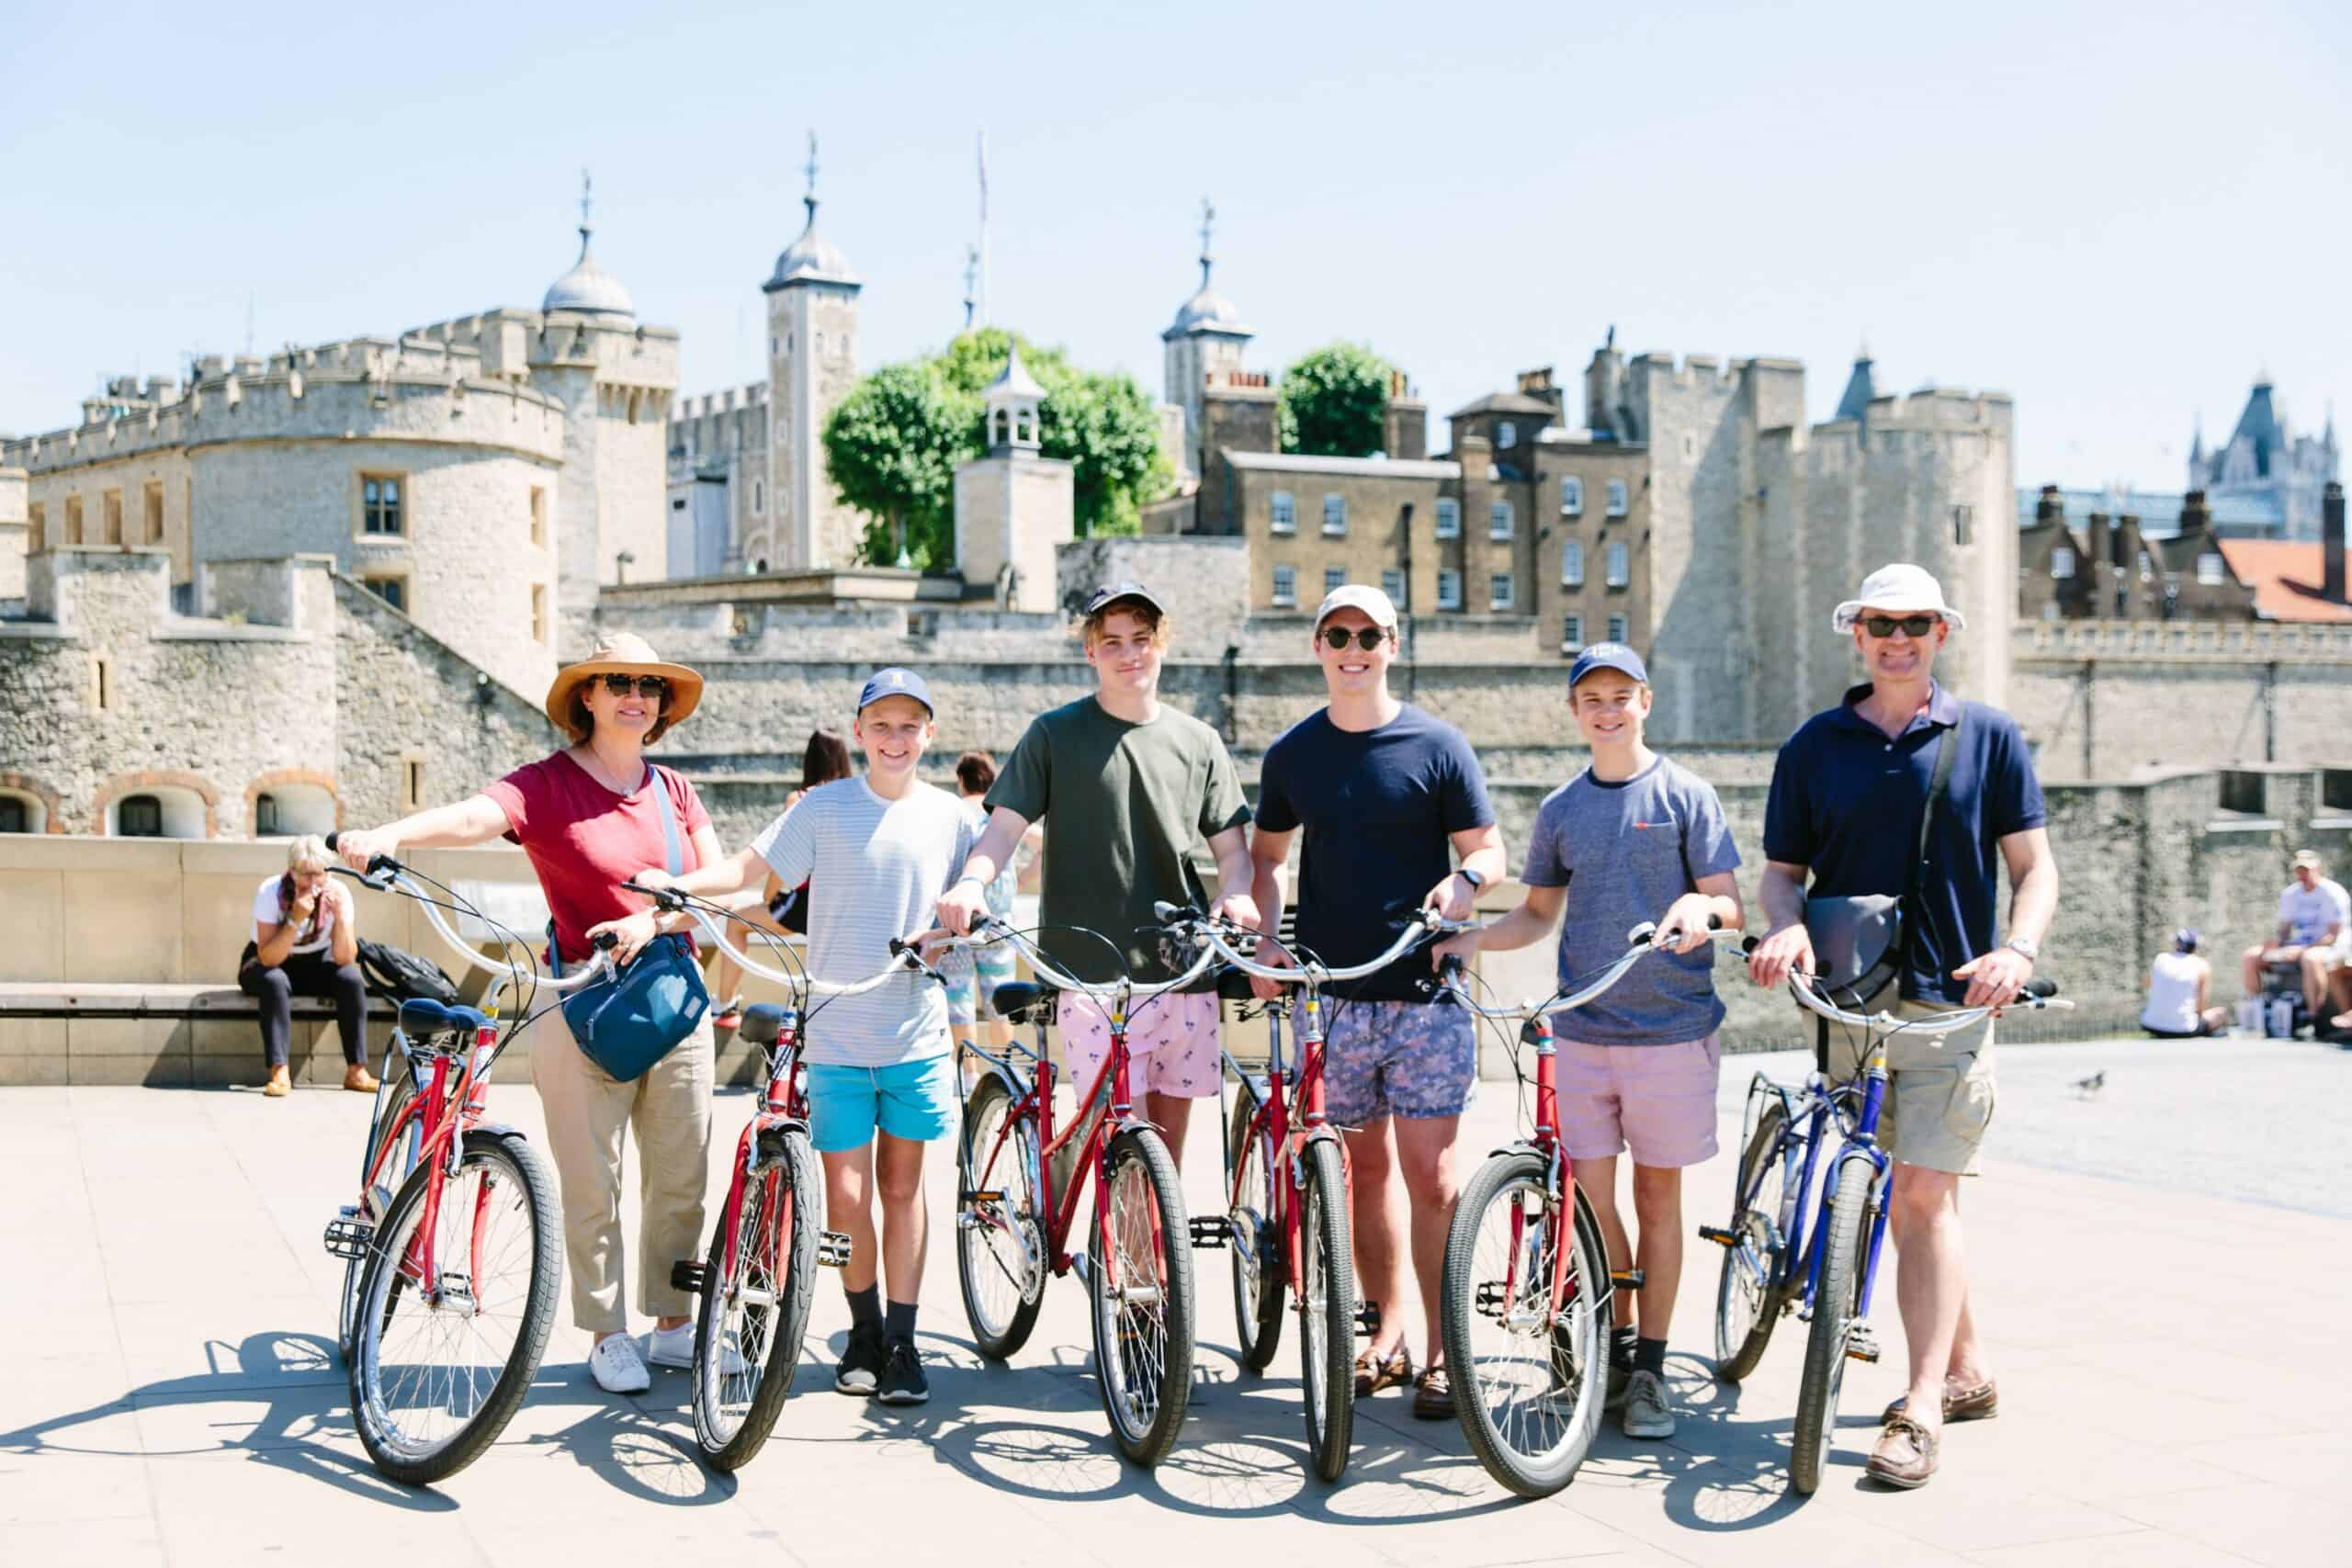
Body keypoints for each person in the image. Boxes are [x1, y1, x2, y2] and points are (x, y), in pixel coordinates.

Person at [336, 632, 722, 1397]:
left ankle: (674, 1324)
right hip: (579, 997)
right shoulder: (546, 785)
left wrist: (662, 920)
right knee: (591, 1178)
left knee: (683, 1175)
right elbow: (475, 817)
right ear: (587, 695)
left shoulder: (676, 791)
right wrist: (390, 835)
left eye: (647, 683)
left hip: (673, 1000)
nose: (633, 694)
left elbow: (713, 883)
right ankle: (609, 1331)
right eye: (615, 680)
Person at [1747, 564, 2058, 1490]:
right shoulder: (1814, 745)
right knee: (1893, 1195)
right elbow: (1778, 872)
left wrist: (2019, 952)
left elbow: (2034, 868)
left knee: (1922, 1194)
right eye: (1881, 622)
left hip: (1951, 1002)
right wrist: (1785, 921)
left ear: (1940, 633)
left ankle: (1917, 1409)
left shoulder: (1987, 737)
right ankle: (1963, 1369)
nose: (1897, 636)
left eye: (1915, 622)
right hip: (1846, 1001)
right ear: (1856, 633)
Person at [1434, 641, 1742, 1440]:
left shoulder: (1685, 794)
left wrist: (1698, 912)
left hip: (1672, 1030)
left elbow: (1730, 905)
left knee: (1658, 1199)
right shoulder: (1564, 808)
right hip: (1584, 1030)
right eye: (1591, 699)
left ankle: (1652, 1368)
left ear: (1645, 699)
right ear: (1575, 712)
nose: (1607, 710)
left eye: (1620, 695)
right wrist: (1468, 941)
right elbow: (1538, 913)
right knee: (1593, 1204)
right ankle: (1615, 1340)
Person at [643, 669, 972, 1405]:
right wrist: (674, 896)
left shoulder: (951, 818)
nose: (895, 738)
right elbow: (751, 876)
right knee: (848, 1198)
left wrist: (957, 933)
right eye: (881, 725)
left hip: (915, 1034)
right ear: (859, 732)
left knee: (903, 1187)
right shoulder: (824, 809)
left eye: (909, 725)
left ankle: (903, 1340)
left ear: (930, 733)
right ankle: (861, 1328)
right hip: (836, 1034)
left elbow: (981, 893)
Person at [1249, 585, 1505, 1421]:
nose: (1353, 647)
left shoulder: (1438, 744)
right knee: (1363, 1171)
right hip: (1336, 997)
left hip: (1424, 994)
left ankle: (1442, 1351)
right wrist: (1265, 938)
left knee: (1433, 1178)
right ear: (1318, 646)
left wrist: (1464, 881)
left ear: (1393, 644)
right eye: (1338, 634)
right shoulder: (1294, 754)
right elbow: (1267, 857)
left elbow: (1489, 850)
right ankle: (1388, 1331)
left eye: (1369, 634)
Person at [937, 581, 1258, 1169]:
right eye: (1112, 642)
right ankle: (1110, 1253)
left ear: (1162, 645)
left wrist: (1236, 895)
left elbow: (1234, 855)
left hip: (1181, 972)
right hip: (1088, 975)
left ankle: (1154, 1267)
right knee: (1117, 1155)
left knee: (1165, 1165)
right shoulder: (1054, 735)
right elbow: (1003, 830)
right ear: (1091, 652)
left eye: (1141, 639)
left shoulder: (1200, 742)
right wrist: (971, 883)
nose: (1129, 653)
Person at [708, 728, 852, 1029]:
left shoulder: (800, 799)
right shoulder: (853, 800)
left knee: (735, 923)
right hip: (843, 904)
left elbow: (785, 856)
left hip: (806, 902)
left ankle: (726, 1005)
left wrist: (769, 896)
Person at [240, 834, 378, 1098]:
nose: (313, 883)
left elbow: (345, 958)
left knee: (350, 979)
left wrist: (339, 918)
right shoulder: (271, 891)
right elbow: (268, 957)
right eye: (306, 875)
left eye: (320, 875)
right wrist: (294, 919)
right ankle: (279, 1070)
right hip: (267, 962)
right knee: (275, 981)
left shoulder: (339, 893)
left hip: (315, 960)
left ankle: (356, 1070)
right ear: (292, 871)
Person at [942, 750, 1035, 1082]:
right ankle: (1004, 1070)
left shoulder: (954, 811)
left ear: (962, 779)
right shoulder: (1001, 814)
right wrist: (1020, 880)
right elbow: (1044, 843)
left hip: (957, 923)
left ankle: (968, 1076)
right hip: (998, 921)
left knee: (959, 998)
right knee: (1001, 997)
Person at [2238, 850, 2349, 1031]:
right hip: (2300, 944)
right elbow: (2284, 930)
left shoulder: (2332, 893)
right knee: (2251, 956)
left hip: (2332, 945)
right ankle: (2259, 1011)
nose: (2302, 875)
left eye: (2306, 870)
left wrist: (2301, 949)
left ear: (2318, 869)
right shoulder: (2291, 894)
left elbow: (2333, 935)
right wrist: (2275, 944)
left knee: (2310, 958)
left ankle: (2312, 1017)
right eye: (2299, 870)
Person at [2142, 929, 2228, 1038]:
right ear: (2195, 947)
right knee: (2221, 1014)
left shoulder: (2161, 958)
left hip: (2151, 1025)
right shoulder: (2202, 965)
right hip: (2184, 1029)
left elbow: (2147, 983)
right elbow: (2201, 1006)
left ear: (2176, 944)